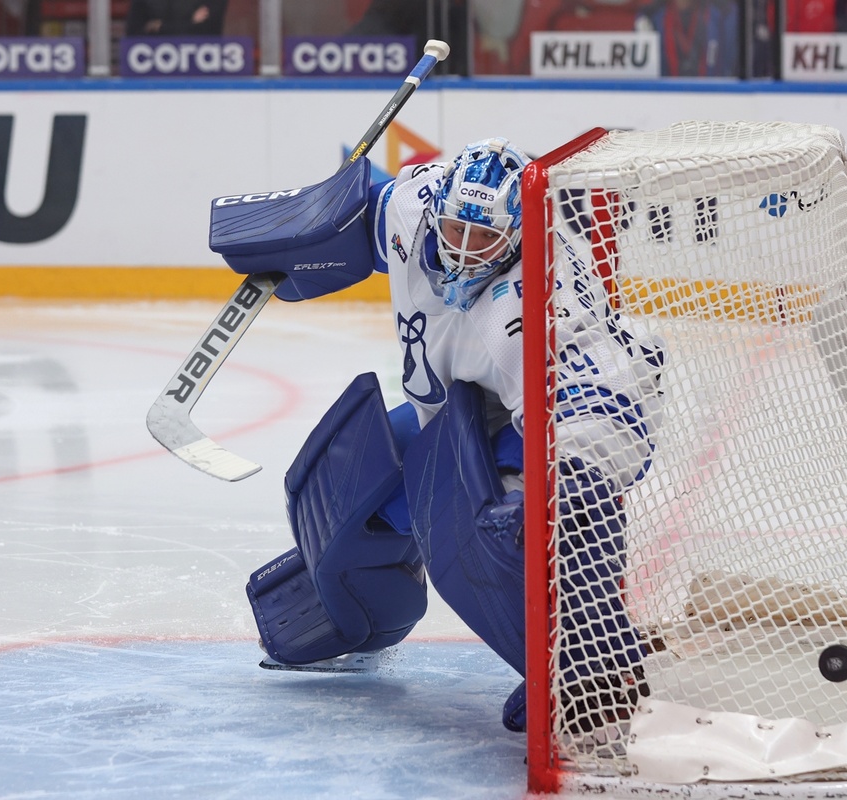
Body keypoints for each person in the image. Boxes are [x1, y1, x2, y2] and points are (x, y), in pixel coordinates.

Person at [244, 138, 667, 742]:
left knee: (512, 532)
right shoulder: (415, 206)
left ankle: (583, 665)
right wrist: (291, 247)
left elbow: (599, 444)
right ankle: (353, 613)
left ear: (518, 238)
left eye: (485, 242)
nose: (463, 254)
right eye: (455, 231)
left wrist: (554, 506)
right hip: (462, 403)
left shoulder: (530, 317)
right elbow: (357, 218)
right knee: (348, 489)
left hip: (570, 417)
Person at [125, 0, 228, 36]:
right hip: (152, 66)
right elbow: (135, 31)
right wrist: (190, 22)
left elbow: (206, 29)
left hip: (200, 65)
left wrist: (161, 27)